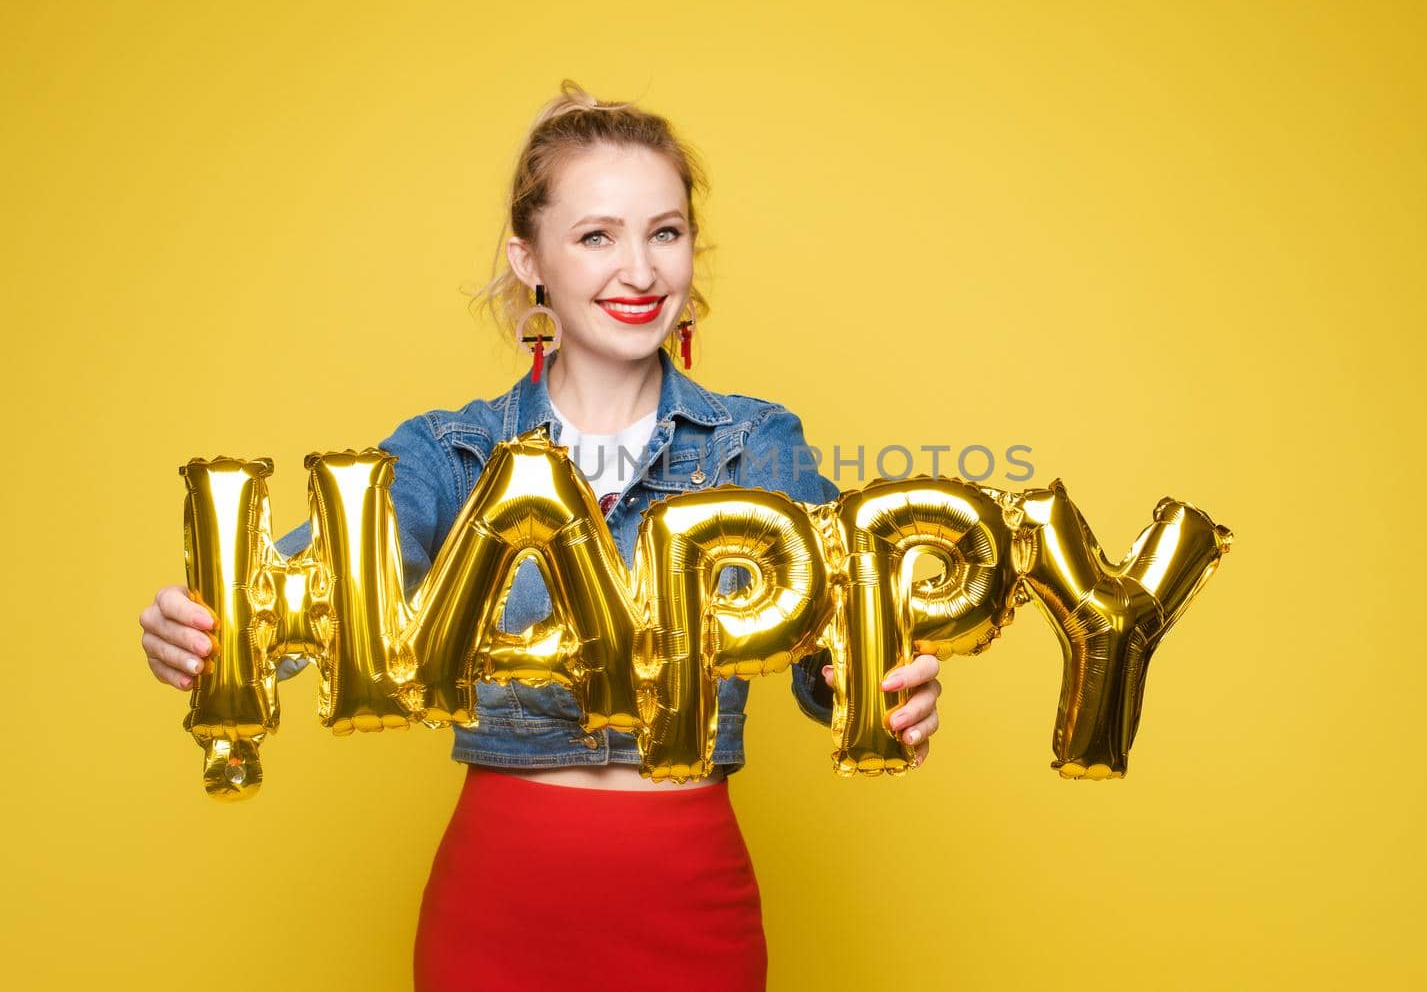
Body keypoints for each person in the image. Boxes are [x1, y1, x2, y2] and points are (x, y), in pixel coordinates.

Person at [137, 81, 943, 990]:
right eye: (597, 236)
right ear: (531, 260)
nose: (639, 271)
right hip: (500, 907)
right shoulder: (453, 452)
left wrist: (890, 689)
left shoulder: (758, 446)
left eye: (665, 232)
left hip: (693, 905)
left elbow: (831, 662)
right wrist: (201, 632)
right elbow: (298, 590)